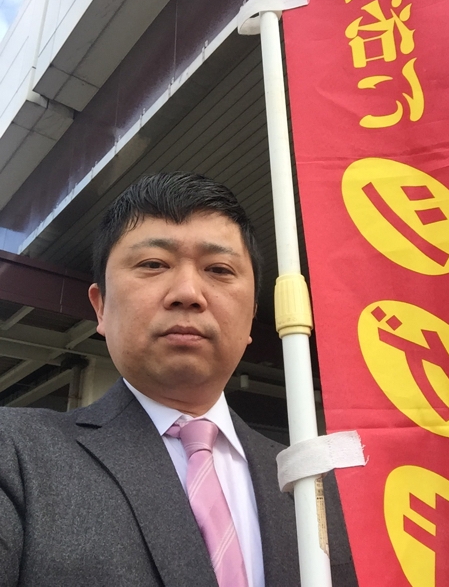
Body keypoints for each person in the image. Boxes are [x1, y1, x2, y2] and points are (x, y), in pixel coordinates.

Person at [0, 172, 357, 586]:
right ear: (101, 307)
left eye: (219, 269)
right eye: (153, 264)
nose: (188, 292)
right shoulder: (15, 453)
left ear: (251, 316)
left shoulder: (319, 484)